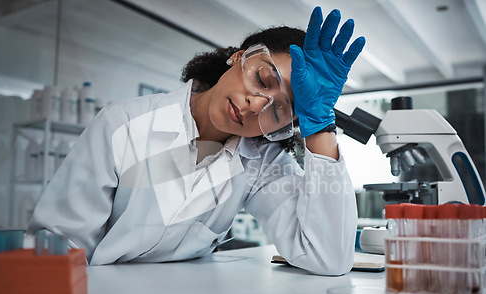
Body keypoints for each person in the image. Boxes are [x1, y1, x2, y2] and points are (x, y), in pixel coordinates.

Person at [28, 6, 365, 275]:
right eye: (262, 79)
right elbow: (59, 243)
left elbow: (327, 258)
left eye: (279, 110)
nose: (256, 104)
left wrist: (320, 127)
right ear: (239, 57)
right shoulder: (124, 124)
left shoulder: (262, 162)